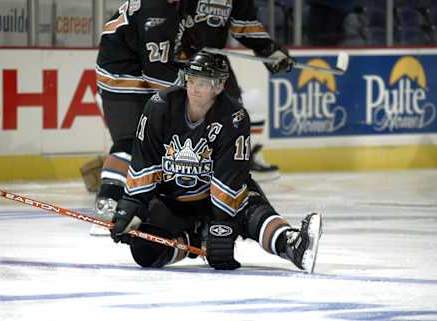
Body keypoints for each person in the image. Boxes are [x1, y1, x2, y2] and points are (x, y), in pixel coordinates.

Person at [109, 52, 322, 272]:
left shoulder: (233, 117)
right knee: (145, 251)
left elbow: (230, 175)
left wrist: (223, 225)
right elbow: (146, 160)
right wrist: (132, 204)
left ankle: (291, 244)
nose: (194, 88)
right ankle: (194, 243)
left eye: (202, 83)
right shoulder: (160, 106)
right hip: (173, 200)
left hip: (220, 194)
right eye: (191, 80)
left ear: (219, 87)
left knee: (254, 214)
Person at [174, 0, 296, 180]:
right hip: (178, 59)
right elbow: (161, 13)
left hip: (213, 60)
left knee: (235, 110)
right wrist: (178, 42)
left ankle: (237, 160)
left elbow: (244, 25)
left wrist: (268, 48)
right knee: (180, 111)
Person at [90, 0, 182, 233]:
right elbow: (156, 73)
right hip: (122, 78)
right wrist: (186, 85)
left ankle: (137, 200)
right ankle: (108, 203)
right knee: (131, 141)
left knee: (151, 142)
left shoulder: (168, 6)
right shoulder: (157, 10)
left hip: (132, 72)